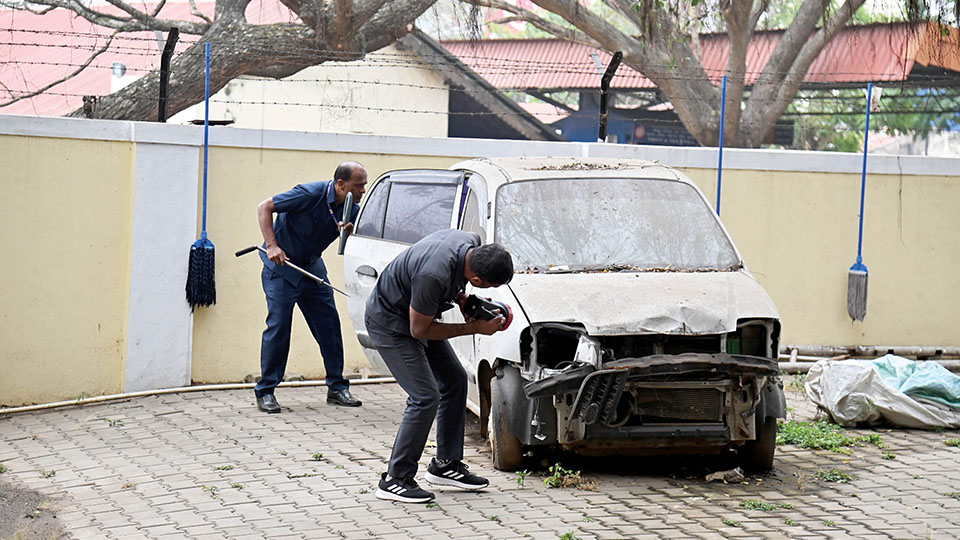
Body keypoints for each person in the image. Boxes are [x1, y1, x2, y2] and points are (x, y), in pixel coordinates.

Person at [365, 229, 514, 503]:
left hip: (417, 315)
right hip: (391, 325)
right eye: (488, 287)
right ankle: (395, 479)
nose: (489, 292)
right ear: (478, 278)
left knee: (455, 380)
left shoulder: (468, 242)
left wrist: (465, 301)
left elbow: (454, 283)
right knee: (424, 397)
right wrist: (475, 328)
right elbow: (420, 329)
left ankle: (446, 465)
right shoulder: (432, 275)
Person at [254, 161, 367, 413]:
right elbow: (265, 207)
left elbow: (351, 243)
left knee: (329, 324)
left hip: (312, 268)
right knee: (279, 325)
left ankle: (337, 387)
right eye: (358, 185)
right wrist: (272, 245)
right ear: (340, 184)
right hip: (282, 269)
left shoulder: (352, 210)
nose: (362, 190)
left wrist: (347, 232)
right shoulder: (309, 193)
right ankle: (266, 390)